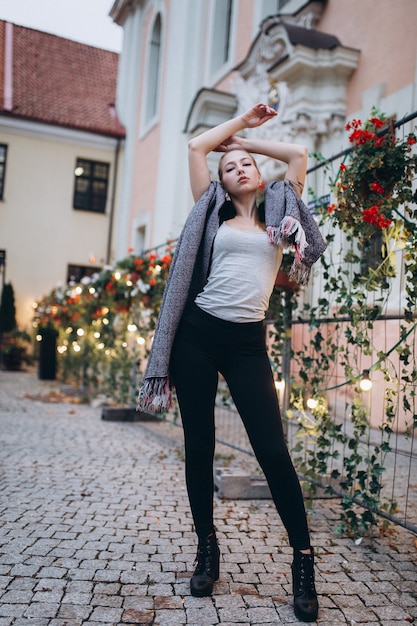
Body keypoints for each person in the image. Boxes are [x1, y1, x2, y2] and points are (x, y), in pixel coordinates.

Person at [138, 103, 326, 623]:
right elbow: (195, 146)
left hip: (246, 344)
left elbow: (298, 153)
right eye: (230, 167)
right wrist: (238, 127)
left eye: (245, 165)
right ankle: (207, 548)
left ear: (259, 174)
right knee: (198, 447)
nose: (239, 169)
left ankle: (303, 562)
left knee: (272, 451)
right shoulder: (210, 210)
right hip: (197, 337)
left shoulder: (282, 212)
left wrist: (249, 146)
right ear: (219, 182)